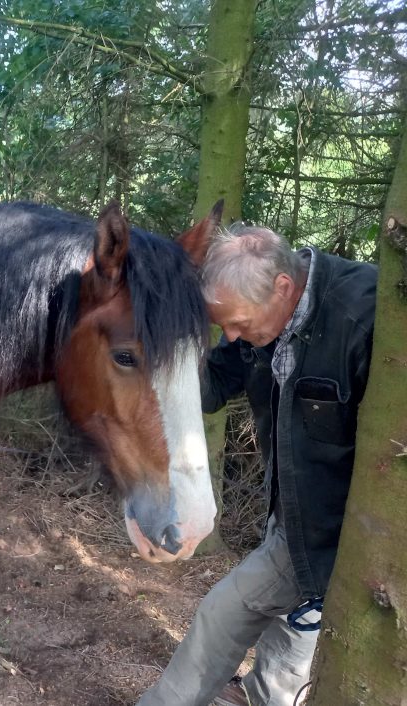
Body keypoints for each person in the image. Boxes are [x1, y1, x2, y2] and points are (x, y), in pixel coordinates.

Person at [137, 225, 377, 706]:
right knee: (292, 632)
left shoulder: (364, 320)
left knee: (222, 615)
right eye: (223, 325)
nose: (231, 336)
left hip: (336, 533)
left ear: (283, 288)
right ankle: (263, 697)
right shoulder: (261, 315)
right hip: (289, 509)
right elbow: (210, 384)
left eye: (239, 324)